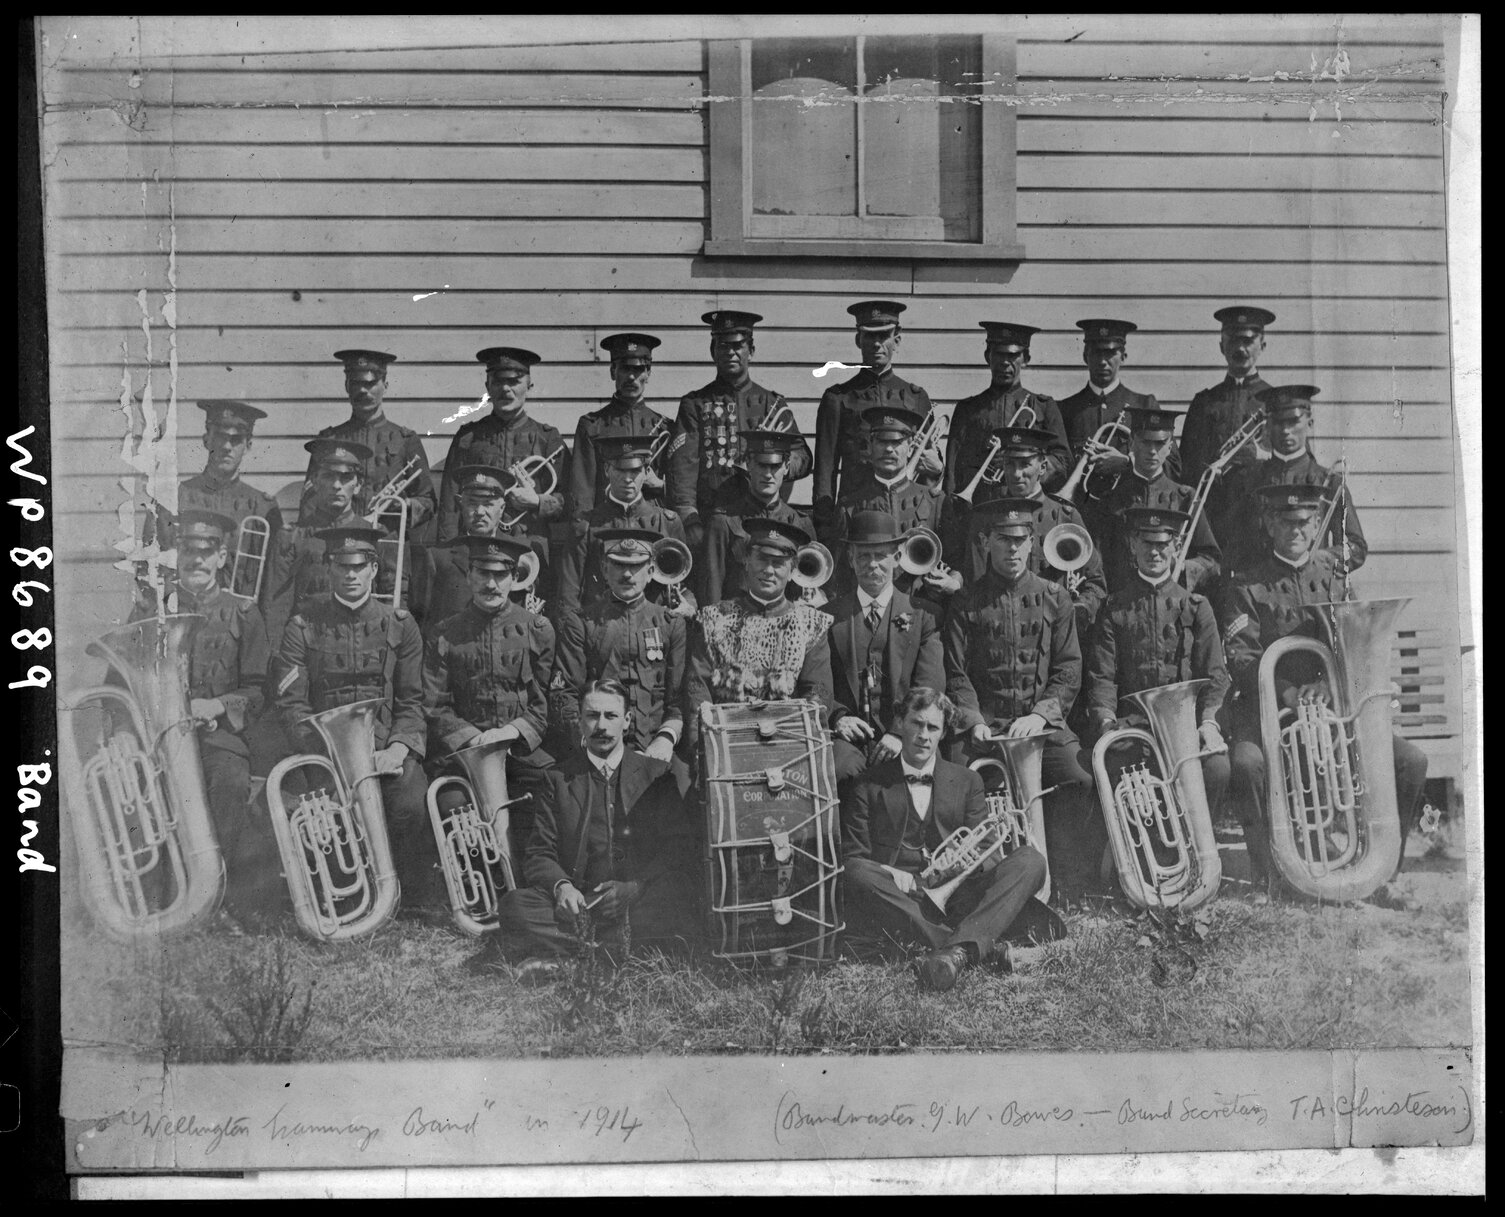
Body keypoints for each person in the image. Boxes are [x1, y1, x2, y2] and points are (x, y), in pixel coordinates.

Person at [1221, 484, 1427, 908]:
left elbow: (1353, 644)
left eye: (1303, 522)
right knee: (1246, 764)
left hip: (1331, 710)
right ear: (1269, 525)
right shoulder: (1246, 584)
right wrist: (1289, 691)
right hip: (1271, 712)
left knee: (1409, 762)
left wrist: (1328, 687)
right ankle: (1269, 877)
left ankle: (1384, 871)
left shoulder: (1336, 578)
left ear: (1317, 524)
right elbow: (1241, 657)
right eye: (1284, 522)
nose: (1294, 530)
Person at [467, 679, 699, 979]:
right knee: (514, 908)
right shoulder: (557, 778)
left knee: (680, 896)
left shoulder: (657, 774)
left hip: (638, 900)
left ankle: (575, 961)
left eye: (611, 716)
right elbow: (539, 853)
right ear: (580, 721)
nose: (601, 726)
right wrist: (562, 887)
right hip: (581, 908)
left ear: (627, 721)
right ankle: (615, 955)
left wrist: (634, 888)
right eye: (592, 716)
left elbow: (677, 849)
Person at [272, 525, 439, 921]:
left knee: (411, 802)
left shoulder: (400, 624)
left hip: (383, 750)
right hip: (323, 753)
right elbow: (291, 704)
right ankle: (345, 897)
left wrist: (398, 749)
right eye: (340, 566)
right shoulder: (301, 625)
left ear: (373, 569)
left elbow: (413, 702)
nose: (350, 575)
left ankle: (405, 895)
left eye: (358, 566)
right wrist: (324, 755)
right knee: (315, 813)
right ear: (330, 569)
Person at [127, 510, 283, 925]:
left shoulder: (243, 613)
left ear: (222, 557)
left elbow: (258, 690)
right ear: (176, 555)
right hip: (160, 738)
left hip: (217, 738)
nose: (196, 560)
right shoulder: (151, 611)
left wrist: (218, 706)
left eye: (206, 552)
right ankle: (164, 897)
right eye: (187, 551)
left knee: (230, 782)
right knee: (139, 789)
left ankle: (222, 895)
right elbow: (120, 680)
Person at [841, 688, 1054, 991]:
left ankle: (953, 949)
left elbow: (985, 847)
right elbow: (854, 856)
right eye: (916, 723)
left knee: (1031, 860)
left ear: (942, 734)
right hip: (905, 898)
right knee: (855, 874)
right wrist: (892, 873)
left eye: (933, 728)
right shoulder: (869, 784)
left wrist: (962, 862)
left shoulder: (968, 780)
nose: (923, 735)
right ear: (900, 723)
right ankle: (976, 947)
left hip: (959, 894)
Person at [942, 497, 1098, 903]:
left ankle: (1067, 878)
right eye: (1002, 540)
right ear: (986, 542)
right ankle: (980, 890)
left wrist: (1042, 714)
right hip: (986, 729)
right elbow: (956, 673)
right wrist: (973, 719)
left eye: (1020, 540)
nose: (1012, 549)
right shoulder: (964, 602)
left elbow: (1068, 669)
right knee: (956, 785)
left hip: (1040, 728)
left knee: (1080, 778)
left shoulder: (1055, 597)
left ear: (1032, 543)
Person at [1082, 506, 1231, 891]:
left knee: (1216, 770)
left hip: (1186, 727)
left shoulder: (1196, 607)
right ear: (1133, 546)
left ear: (1175, 546)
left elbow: (1215, 674)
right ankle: (1144, 868)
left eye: (1163, 544)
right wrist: (1106, 725)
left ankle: (1195, 858)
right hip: (1134, 726)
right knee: (1122, 768)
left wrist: (1209, 722)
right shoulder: (1114, 609)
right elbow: (1103, 676)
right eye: (1146, 544)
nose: (1155, 552)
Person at [421, 534, 557, 881]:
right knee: (451, 803)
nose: (491, 584)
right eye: (482, 574)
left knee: (554, 792)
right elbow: (435, 704)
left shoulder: (537, 629)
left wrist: (511, 732)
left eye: (501, 575)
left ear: (515, 578)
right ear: (469, 576)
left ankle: (538, 880)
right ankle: (479, 880)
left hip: (523, 750)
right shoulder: (445, 633)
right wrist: (472, 740)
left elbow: (545, 703)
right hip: (467, 753)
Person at [665, 310, 812, 550]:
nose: (731, 353)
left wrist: (773, 466)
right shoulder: (695, 404)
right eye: (723, 346)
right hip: (712, 523)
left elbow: (803, 458)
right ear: (713, 352)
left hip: (764, 523)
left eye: (738, 346)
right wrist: (690, 522)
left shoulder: (770, 404)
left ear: (751, 351)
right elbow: (682, 470)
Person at [685, 518, 834, 752]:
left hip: (788, 744)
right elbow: (697, 687)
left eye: (779, 563)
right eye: (762, 559)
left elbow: (817, 694)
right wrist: (703, 746)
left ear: (792, 569)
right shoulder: (713, 619)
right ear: (746, 560)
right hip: (723, 742)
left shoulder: (811, 624)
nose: (768, 570)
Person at [552, 528, 688, 773]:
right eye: (617, 565)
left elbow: (677, 700)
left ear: (650, 572)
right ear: (604, 569)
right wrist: (591, 743)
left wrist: (665, 740)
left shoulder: (670, 624)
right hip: (597, 750)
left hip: (654, 749)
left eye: (636, 566)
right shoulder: (582, 624)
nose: (627, 574)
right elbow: (565, 695)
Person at [824, 511, 945, 782]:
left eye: (881, 556)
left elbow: (930, 685)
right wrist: (838, 718)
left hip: (908, 733)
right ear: (851, 560)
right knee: (838, 769)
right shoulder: (828, 617)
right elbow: (819, 685)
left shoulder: (925, 615)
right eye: (864, 556)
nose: (873, 565)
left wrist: (899, 732)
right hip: (849, 741)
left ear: (897, 558)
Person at [436, 346, 569, 578]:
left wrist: (537, 501)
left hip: (530, 550)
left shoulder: (548, 438)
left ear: (529, 385)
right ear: (487, 387)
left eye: (515, 381)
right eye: (498, 382)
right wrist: (449, 559)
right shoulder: (468, 438)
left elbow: (570, 501)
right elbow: (449, 504)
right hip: (476, 550)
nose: (506, 389)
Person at [969, 424, 1108, 638]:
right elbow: (974, 581)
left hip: (1054, 632)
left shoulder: (1065, 516)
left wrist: (1078, 609)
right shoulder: (986, 516)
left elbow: (1095, 583)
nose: (1016, 473)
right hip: (999, 632)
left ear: (1042, 467)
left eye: (1025, 464)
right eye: (1009, 464)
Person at [812, 300, 937, 535]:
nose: (877, 344)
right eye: (870, 337)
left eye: (884, 336)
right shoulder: (838, 398)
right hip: (855, 517)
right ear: (858, 340)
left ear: (897, 339)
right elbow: (824, 472)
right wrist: (825, 528)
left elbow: (927, 466)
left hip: (908, 518)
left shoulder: (916, 398)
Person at [1217, 385, 1367, 579]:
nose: (1286, 430)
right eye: (1279, 422)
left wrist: (1323, 559)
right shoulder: (1248, 481)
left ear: (1310, 423)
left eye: (1294, 421)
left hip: (1311, 589)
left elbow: (1356, 546)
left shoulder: (1330, 483)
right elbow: (1232, 543)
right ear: (1267, 427)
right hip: (1259, 594)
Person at [302, 349, 438, 546]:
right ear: (347, 386)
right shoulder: (328, 440)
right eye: (356, 383)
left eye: (371, 383)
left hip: (387, 544)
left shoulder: (406, 440)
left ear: (385, 385)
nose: (363, 391)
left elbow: (428, 502)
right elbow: (310, 499)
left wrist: (405, 506)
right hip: (337, 544)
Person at [829, 405, 962, 605]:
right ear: (870, 446)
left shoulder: (937, 501)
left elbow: (957, 561)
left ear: (910, 446)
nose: (889, 449)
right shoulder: (849, 506)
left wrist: (953, 582)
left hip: (922, 612)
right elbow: (838, 574)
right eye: (881, 441)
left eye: (897, 442)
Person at [1084, 407, 1221, 596]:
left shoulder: (1186, 498)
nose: (1152, 451)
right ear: (1132, 442)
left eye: (1160, 443)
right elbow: (1097, 565)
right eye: (1145, 442)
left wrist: (1181, 566)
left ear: (1170, 446)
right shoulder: (1111, 501)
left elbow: (1211, 561)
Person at [556, 434, 692, 617]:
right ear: (606, 470)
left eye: (635, 471)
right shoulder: (586, 525)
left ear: (646, 472)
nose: (628, 479)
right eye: (620, 470)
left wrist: (688, 605)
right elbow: (569, 592)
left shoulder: (666, 522)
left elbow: (683, 583)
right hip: (600, 626)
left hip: (655, 625)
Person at [944, 321, 1072, 503]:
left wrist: (1018, 464)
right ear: (987, 356)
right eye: (998, 354)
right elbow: (952, 471)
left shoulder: (1044, 406)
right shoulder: (968, 409)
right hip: (980, 507)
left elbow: (1063, 462)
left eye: (1012, 356)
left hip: (1030, 506)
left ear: (1026, 358)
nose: (1005, 362)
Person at [261, 438, 371, 647]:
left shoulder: (371, 535)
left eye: (346, 477)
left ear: (358, 485)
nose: (337, 485)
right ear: (315, 480)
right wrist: (279, 661)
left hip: (360, 649)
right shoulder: (292, 537)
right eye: (328, 476)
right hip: (306, 648)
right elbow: (276, 608)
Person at [174, 400, 284, 599]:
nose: (226, 446)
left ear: (247, 445)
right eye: (220, 437)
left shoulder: (262, 507)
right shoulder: (175, 498)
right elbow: (150, 566)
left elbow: (273, 580)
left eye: (236, 440)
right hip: (183, 618)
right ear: (206, 439)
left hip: (239, 623)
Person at [697, 428, 815, 606]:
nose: (768, 474)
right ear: (748, 463)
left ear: (786, 466)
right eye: (761, 464)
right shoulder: (724, 522)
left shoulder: (800, 523)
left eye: (775, 466)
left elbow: (810, 583)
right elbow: (711, 593)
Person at [1056, 318, 1180, 488]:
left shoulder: (1144, 404)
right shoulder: (1065, 409)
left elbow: (1173, 466)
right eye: (1096, 353)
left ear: (1123, 357)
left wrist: (1128, 463)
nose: (1102, 361)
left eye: (1110, 353)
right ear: (1085, 356)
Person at [567, 332, 674, 514]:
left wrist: (660, 485)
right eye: (625, 369)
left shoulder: (665, 427)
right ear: (612, 372)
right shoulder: (592, 426)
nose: (631, 377)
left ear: (648, 373)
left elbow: (681, 488)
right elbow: (582, 493)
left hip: (653, 524)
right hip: (606, 524)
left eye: (638, 370)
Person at [1179, 305, 1276, 486]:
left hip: (1259, 508)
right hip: (1212, 510)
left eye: (1247, 341)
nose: (1239, 348)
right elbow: (1185, 465)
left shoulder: (1276, 401)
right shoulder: (1203, 403)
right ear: (1221, 346)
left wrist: (1261, 455)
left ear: (1262, 346)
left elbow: (1299, 461)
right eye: (1232, 340)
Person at [409, 463, 511, 632]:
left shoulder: (519, 555)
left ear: (502, 508)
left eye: (488, 504)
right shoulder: (438, 557)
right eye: (472, 503)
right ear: (460, 505)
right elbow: (423, 618)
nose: (479, 511)